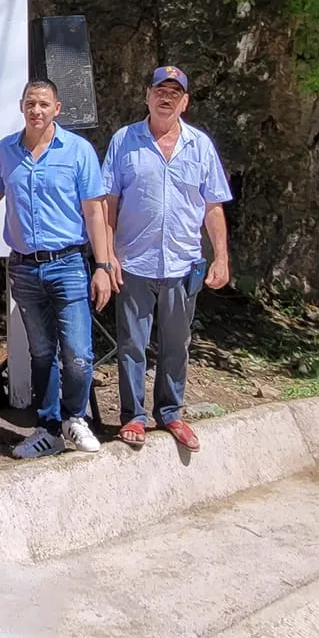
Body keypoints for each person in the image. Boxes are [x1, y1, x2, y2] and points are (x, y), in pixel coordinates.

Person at [102, 65, 231, 452]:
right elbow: (108, 203)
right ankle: (133, 417)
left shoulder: (200, 146)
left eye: (175, 93)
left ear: (185, 102)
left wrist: (220, 257)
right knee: (132, 346)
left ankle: (171, 412)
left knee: (177, 344)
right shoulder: (124, 140)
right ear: (147, 95)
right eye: (160, 90)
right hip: (135, 264)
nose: (166, 97)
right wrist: (107, 258)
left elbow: (212, 207)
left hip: (183, 264)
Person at [0, 78, 117, 461]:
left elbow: (95, 212)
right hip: (25, 269)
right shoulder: (6, 150)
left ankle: (75, 419)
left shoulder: (77, 151)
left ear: (57, 109)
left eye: (44, 104)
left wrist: (103, 265)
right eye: (30, 103)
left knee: (77, 353)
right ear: (21, 106)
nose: (37, 110)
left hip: (69, 265)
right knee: (41, 353)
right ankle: (47, 430)